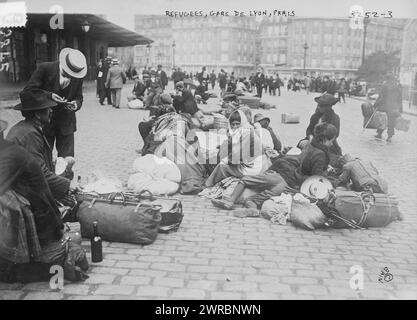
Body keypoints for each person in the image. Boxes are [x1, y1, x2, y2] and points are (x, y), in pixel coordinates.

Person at [6, 89, 77, 201]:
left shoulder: (27, 128)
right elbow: (40, 174)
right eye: (47, 109)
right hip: (20, 191)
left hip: (20, 184)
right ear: (38, 114)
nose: (51, 111)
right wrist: (68, 186)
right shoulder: (29, 134)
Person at [23, 47, 86, 158]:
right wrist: (50, 96)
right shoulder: (45, 68)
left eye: (73, 74)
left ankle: (65, 176)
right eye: (69, 72)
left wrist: (76, 104)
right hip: (45, 122)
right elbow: (29, 91)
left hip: (67, 124)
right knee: (44, 159)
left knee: (67, 161)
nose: (71, 76)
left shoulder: (77, 74)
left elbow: (79, 97)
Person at [205, 109, 265, 187]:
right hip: (252, 163)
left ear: (242, 123)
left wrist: (226, 159)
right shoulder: (244, 131)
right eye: (232, 124)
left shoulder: (247, 133)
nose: (235, 127)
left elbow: (236, 157)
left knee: (222, 167)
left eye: (237, 124)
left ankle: (208, 185)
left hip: (255, 168)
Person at [303, 93, 342, 159]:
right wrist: (310, 136)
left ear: (328, 107)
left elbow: (335, 135)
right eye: (318, 105)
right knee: (301, 146)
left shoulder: (335, 118)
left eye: (321, 106)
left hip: (327, 143)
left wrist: (322, 142)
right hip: (312, 140)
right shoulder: (315, 116)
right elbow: (309, 129)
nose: (318, 107)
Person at [373, 73, 403, 142]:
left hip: (386, 107)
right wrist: (400, 109)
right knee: (391, 122)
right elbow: (400, 99)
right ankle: (389, 137)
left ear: (387, 79)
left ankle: (379, 133)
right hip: (394, 108)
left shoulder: (385, 86)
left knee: (383, 120)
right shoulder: (397, 87)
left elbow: (381, 97)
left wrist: (375, 104)